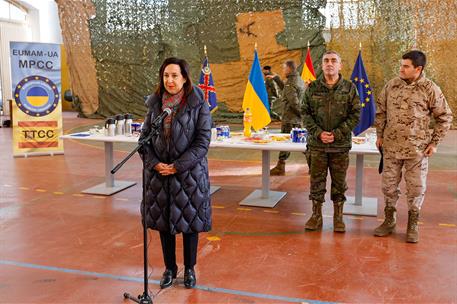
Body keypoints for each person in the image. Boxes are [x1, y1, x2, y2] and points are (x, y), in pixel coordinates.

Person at [139, 57, 212, 289]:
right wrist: (154, 164)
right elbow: (144, 141)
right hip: (160, 176)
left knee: (190, 222)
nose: (170, 80)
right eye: (166, 76)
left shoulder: (198, 103)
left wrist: (178, 165)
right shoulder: (155, 105)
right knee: (164, 224)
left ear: (184, 78)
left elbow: (202, 142)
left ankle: (190, 269)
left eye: (174, 76)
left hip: (188, 175)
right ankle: (170, 268)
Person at [374, 50, 452, 243]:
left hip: (417, 150)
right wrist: (379, 135)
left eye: (406, 66)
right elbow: (381, 112)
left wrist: (434, 143)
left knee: (416, 189)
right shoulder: (391, 86)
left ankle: (412, 224)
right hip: (391, 147)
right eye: (401, 65)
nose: (401, 69)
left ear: (418, 69)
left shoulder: (430, 89)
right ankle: (389, 220)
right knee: (389, 187)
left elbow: (445, 117)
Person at [302, 51, 360, 232]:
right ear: (321, 65)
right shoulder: (312, 88)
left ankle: (338, 217)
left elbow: (356, 114)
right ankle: (316, 215)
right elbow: (305, 114)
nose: (329, 64)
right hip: (317, 145)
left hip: (339, 146)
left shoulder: (350, 88)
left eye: (334, 60)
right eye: (326, 60)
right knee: (316, 182)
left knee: (339, 183)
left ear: (340, 65)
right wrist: (319, 133)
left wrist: (337, 133)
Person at [270, 60, 306, 176]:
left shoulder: (291, 82)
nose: (283, 70)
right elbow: (287, 89)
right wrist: (277, 78)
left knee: (286, 143)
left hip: (290, 119)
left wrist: (303, 115)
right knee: (300, 143)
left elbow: (294, 102)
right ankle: (313, 165)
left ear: (289, 69)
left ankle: (281, 167)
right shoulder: (297, 79)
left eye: (284, 68)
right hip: (295, 119)